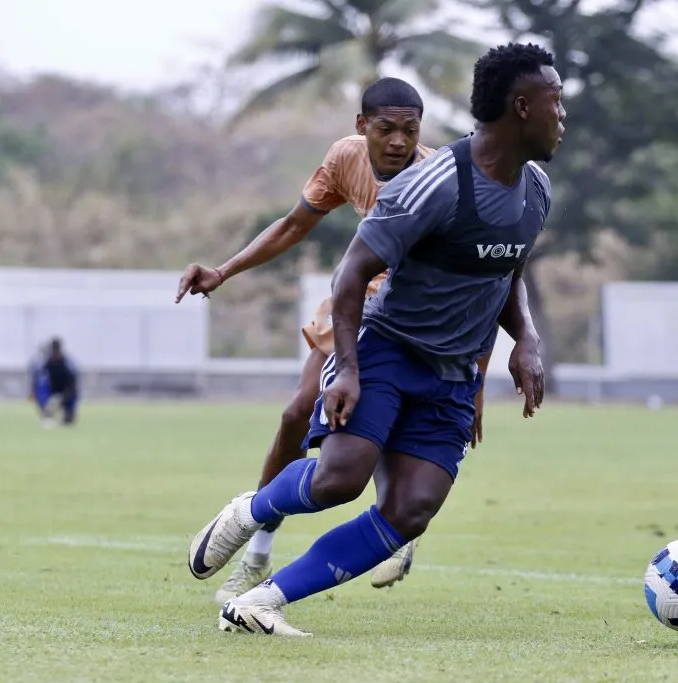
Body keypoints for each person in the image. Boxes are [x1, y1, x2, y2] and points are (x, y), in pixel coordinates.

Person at [187, 42, 564, 637]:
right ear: (521, 108)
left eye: (406, 130)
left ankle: (261, 601)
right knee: (339, 478)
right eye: (555, 102)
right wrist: (353, 371)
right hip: (385, 345)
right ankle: (250, 513)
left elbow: (506, 272)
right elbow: (349, 276)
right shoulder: (435, 183)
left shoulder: (537, 190)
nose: (562, 116)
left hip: (454, 372)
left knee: (411, 510)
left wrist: (528, 340)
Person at [175, 78, 487, 602]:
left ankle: (393, 524)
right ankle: (255, 544)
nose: (397, 142)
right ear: (361, 126)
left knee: (378, 429)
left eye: (409, 131)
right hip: (352, 306)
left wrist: (475, 387)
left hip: (413, 323)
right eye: (385, 129)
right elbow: (295, 225)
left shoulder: (439, 180)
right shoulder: (345, 158)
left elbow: (482, 286)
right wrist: (224, 271)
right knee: (298, 411)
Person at [29, 338, 78, 427]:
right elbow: (37, 379)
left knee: (68, 421)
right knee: (41, 387)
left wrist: (62, 400)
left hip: (66, 392)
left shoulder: (67, 364)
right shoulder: (46, 363)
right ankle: (46, 412)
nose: (55, 354)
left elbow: (72, 385)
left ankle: (68, 412)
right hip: (51, 391)